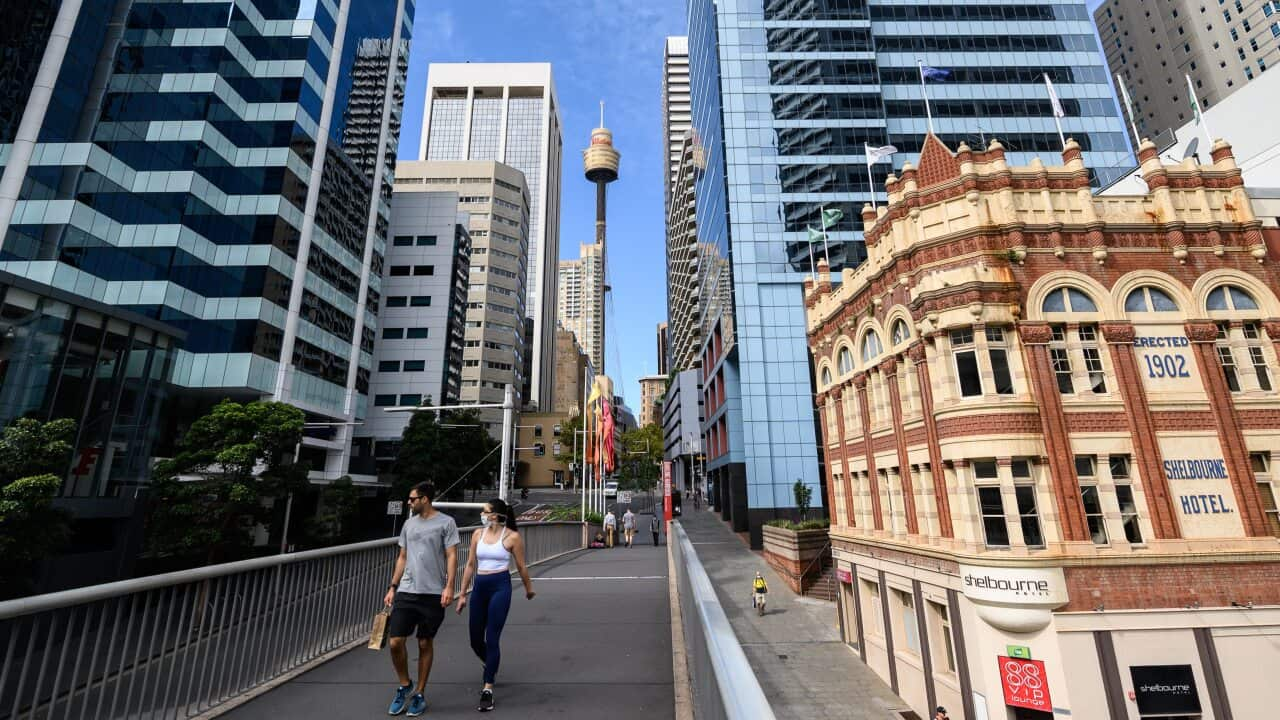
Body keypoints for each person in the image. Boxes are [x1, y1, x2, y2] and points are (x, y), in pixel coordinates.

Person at [383, 482, 460, 717]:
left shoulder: (446, 523)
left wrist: (449, 587)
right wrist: (392, 587)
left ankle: (419, 693)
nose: (409, 502)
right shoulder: (408, 524)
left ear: (425, 499)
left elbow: (451, 555)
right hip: (407, 591)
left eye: (412, 499)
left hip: (433, 593)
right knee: (395, 641)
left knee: (425, 643)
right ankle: (405, 684)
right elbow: (402, 556)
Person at [456, 498, 536, 712]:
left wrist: (529, 588)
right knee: (475, 639)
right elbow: (471, 565)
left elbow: (521, 565)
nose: (482, 514)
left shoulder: (512, 537)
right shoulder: (477, 535)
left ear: (496, 515)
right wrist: (462, 594)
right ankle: (491, 662)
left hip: (500, 587)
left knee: (492, 638)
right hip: (480, 587)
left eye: (485, 511)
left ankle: (488, 688)